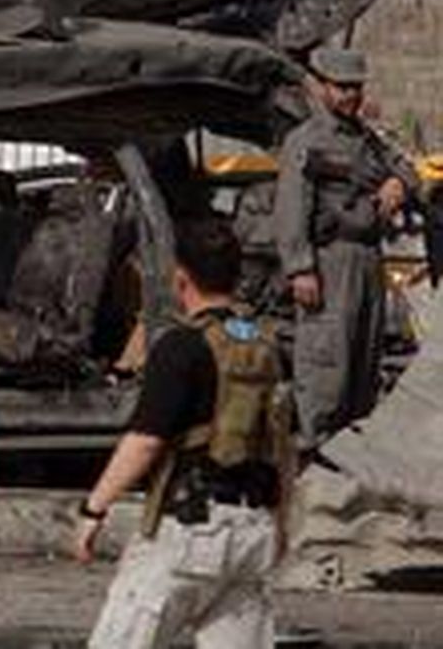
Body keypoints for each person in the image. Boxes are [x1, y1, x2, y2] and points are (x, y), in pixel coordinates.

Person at [76, 219, 294, 649]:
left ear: (181, 278)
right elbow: (283, 449)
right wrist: (282, 524)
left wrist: (93, 509)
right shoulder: (269, 349)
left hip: (190, 531)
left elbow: (145, 441)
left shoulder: (181, 346)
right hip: (254, 534)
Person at [274, 47, 418, 449]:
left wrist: (398, 184)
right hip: (329, 258)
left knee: (364, 358)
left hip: (368, 257)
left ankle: (352, 448)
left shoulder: (368, 138)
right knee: (327, 358)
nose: (351, 95)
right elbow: (291, 206)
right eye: (342, 87)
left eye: (356, 87)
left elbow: (408, 168)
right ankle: (316, 444)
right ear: (320, 86)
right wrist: (300, 267)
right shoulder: (306, 139)